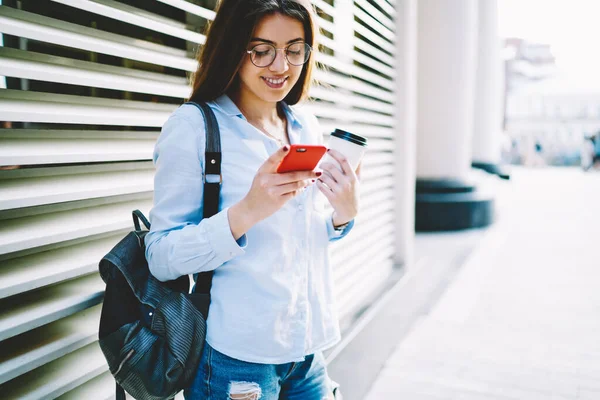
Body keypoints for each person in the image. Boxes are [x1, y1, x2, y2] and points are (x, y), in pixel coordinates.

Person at [144, 0, 360, 399]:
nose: (280, 67)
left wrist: (342, 215)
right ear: (233, 48)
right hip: (235, 359)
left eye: (294, 49)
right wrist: (245, 213)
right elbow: (160, 256)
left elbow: (302, 234)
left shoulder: (304, 125)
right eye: (261, 50)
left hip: (308, 350)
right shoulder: (194, 127)